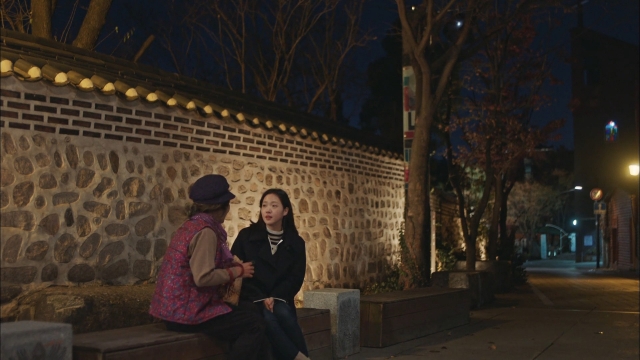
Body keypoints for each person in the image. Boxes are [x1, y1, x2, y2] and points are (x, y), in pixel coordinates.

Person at [149, 174, 266, 360]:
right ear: (219, 208)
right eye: (228, 205)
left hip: (173, 310)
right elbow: (202, 277)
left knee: (250, 311)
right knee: (254, 324)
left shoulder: (192, 225)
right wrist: (238, 271)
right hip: (186, 313)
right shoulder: (206, 233)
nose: (228, 210)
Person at [231, 188, 309, 360]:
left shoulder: (295, 242)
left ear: (285, 211)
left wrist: (275, 296)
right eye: (264, 205)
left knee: (283, 313)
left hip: (279, 297)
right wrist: (261, 297)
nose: (268, 210)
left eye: (274, 206)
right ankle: (301, 357)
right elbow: (235, 268)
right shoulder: (247, 236)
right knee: (268, 318)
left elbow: (295, 278)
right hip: (252, 298)